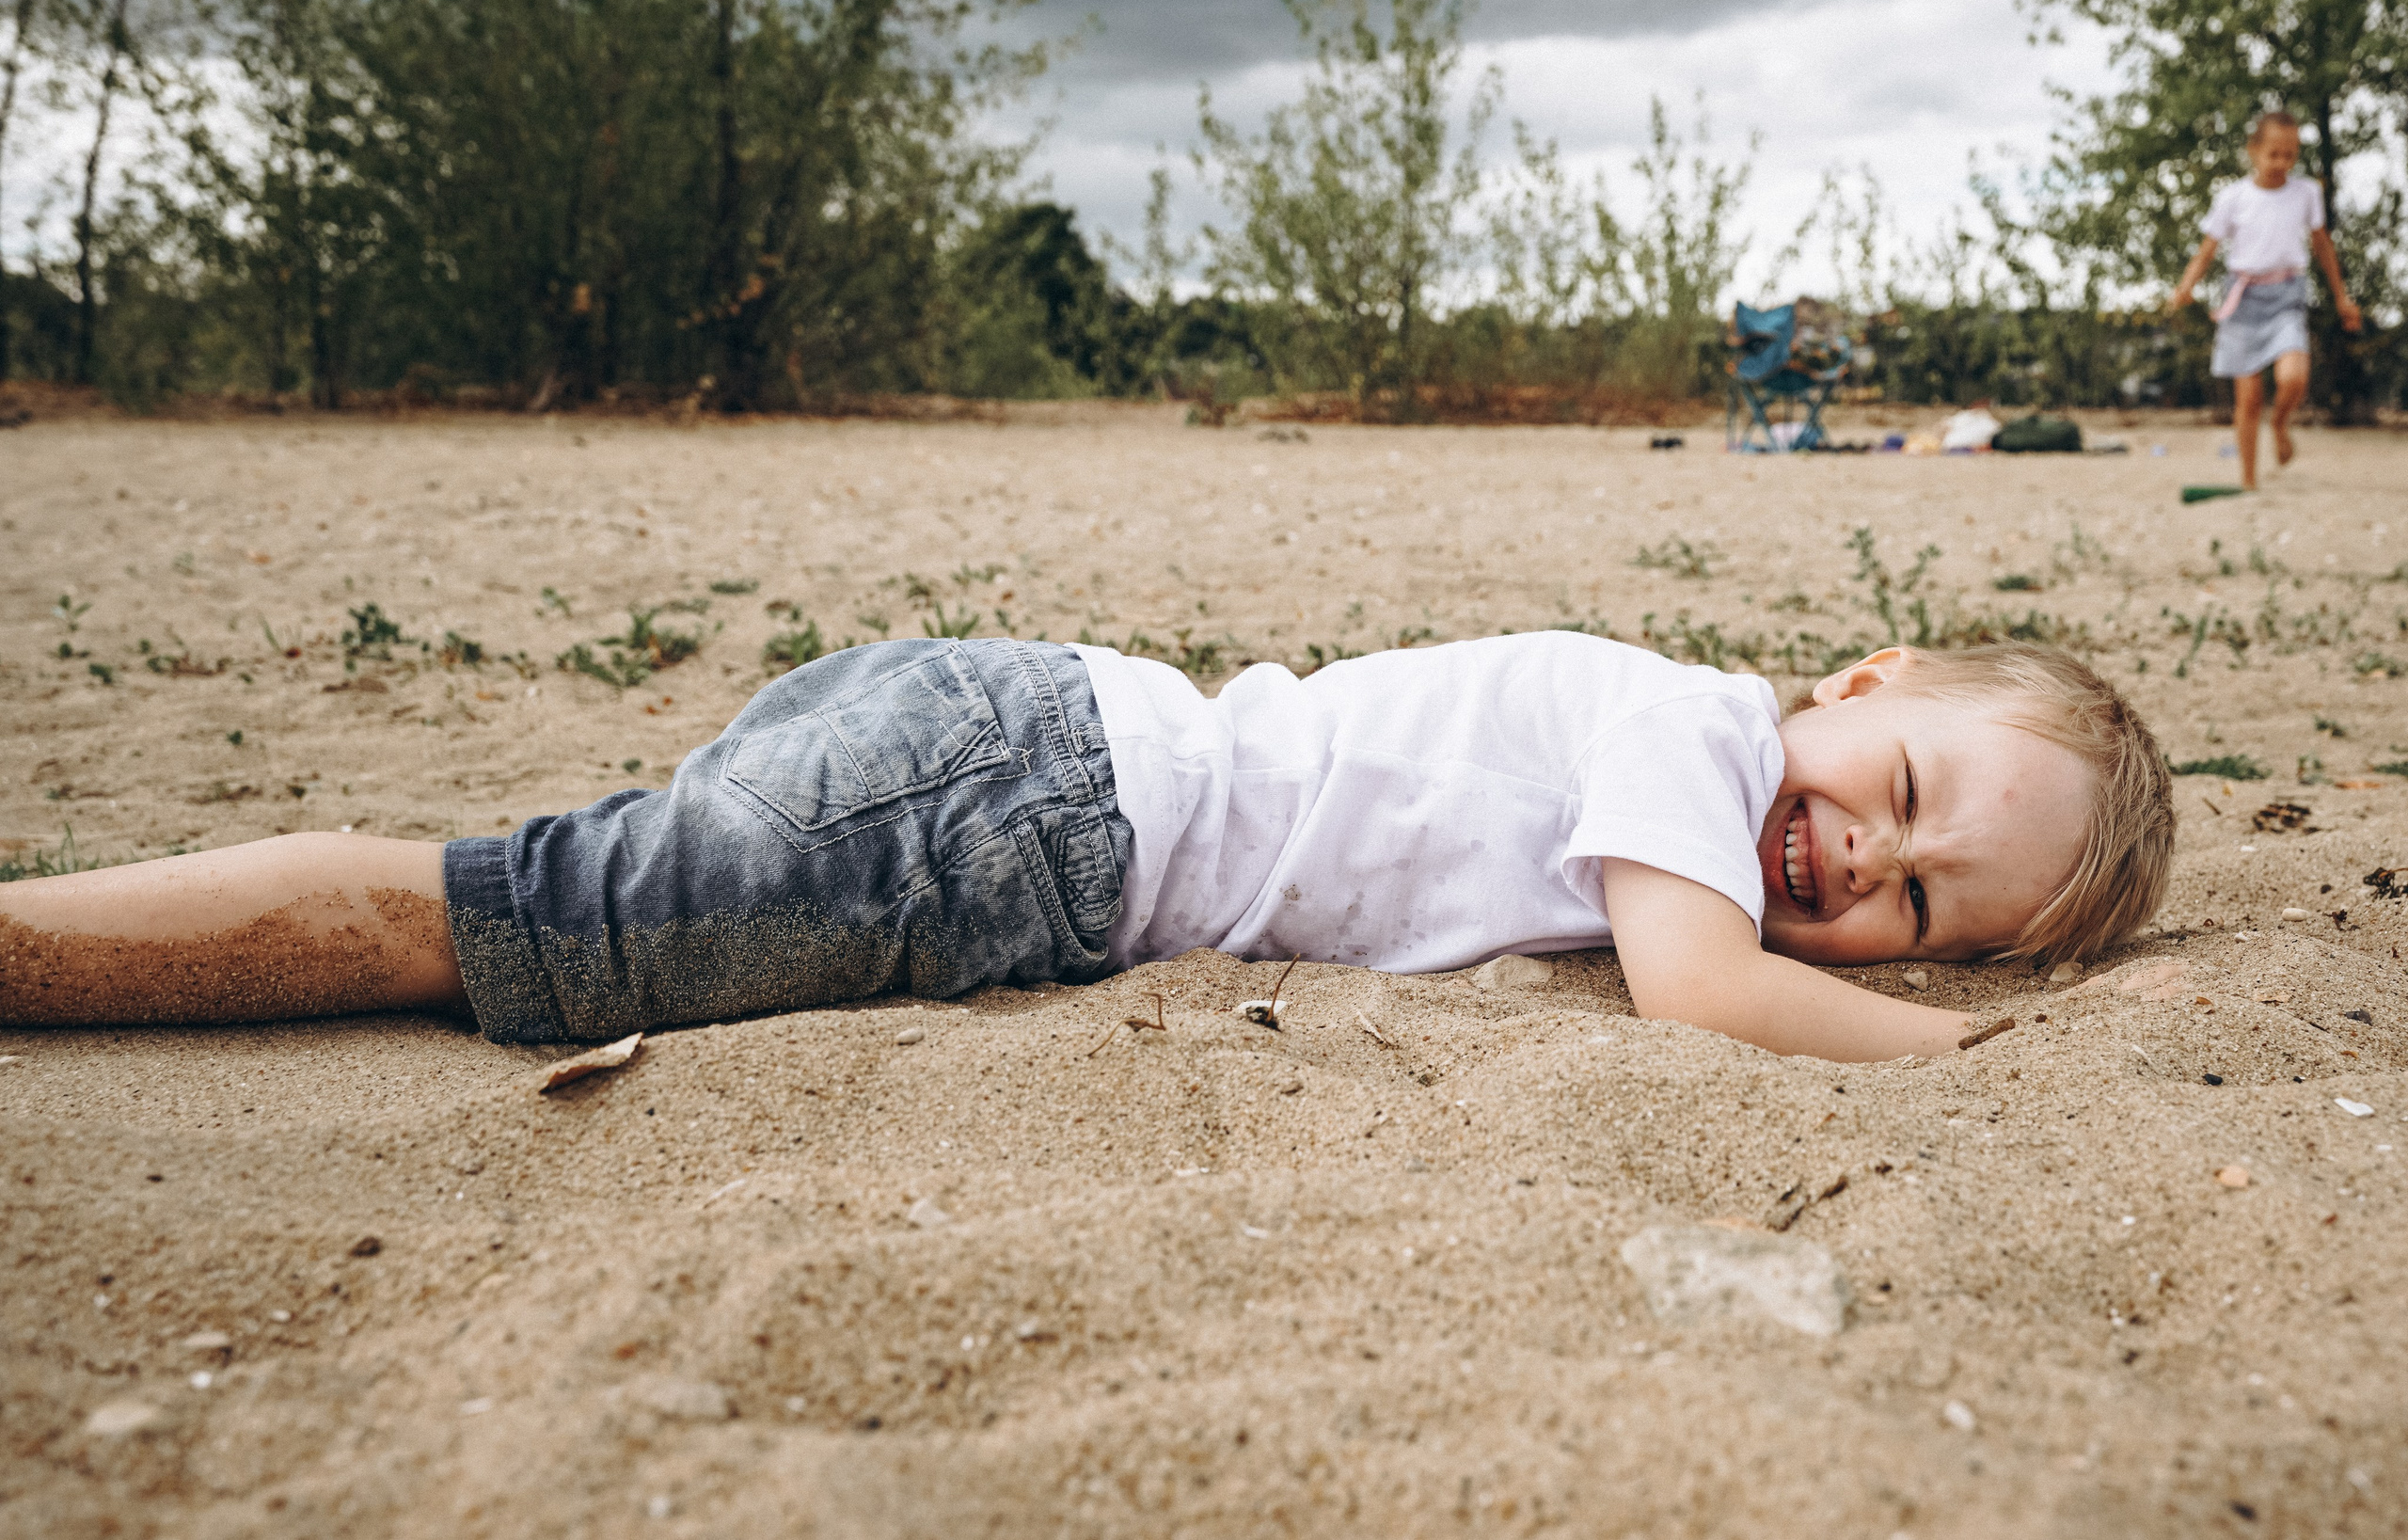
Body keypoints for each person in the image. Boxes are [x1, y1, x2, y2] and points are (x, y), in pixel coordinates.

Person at [0, 632, 2175, 1065]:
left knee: (587, 877)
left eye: (1913, 915)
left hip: (1018, 741)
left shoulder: (1693, 764)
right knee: (495, 920)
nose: (1848, 875)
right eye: (1887, 804)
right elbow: (1704, 992)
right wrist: (1963, 1047)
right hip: (1029, 818)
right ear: (1859, 683)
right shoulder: (1691, 734)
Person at [2168, 108, 2363, 490]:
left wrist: (2342, 298)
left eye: (2289, 155)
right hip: (2243, 298)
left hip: (2287, 293)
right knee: (2249, 399)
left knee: (2293, 377)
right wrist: (2185, 286)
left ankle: (2279, 422)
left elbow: (2322, 245)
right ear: (2253, 151)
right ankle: (2249, 482)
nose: (2281, 163)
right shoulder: (2234, 197)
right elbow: (2208, 249)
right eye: (2273, 153)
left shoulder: (2306, 193)